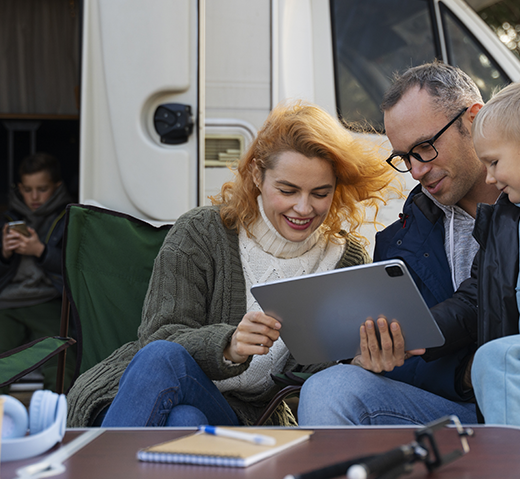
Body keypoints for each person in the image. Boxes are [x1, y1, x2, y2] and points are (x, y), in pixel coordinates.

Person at [66, 101, 398, 427]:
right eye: (287, 189)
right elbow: (158, 338)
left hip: (239, 415)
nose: (303, 208)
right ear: (257, 175)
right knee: (176, 397)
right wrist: (230, 346)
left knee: (189, 417)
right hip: (140, 391)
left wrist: (357, 361)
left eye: (320, 193)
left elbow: (317, 376)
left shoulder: (345, 259)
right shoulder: (202, 232)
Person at [298, 61, 499, 426]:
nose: (417, 170)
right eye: (405, 157)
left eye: (424, 147)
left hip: (510, 400)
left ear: (473, 119)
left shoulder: (513, 211)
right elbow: (407, 368)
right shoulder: (397, 243)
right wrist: (375, 362)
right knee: (329, 388)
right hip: (450, 414)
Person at [422, 82, 520, 425]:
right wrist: (421, 331)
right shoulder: (505, 220)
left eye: (494, 162)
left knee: (496, 357)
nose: (489, 179)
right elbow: (477, 293)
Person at [0, 152, 73, 392]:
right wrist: (5, 255)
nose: (34, 197)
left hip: (48, 300)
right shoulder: (8, 218)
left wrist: (40, 251)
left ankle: (58, 423)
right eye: (27, 189)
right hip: (8, 303)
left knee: (62, 363)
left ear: (57, 186)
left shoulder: (69, 217)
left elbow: (73, 269)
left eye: (42, 189)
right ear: (19, 188)